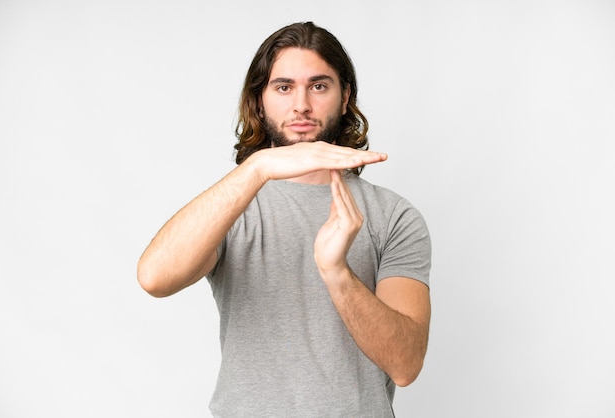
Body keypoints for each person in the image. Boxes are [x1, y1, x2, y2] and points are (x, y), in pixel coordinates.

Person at [137, 21, 431, 417]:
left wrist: (337, 273)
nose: (301, 105)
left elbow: (405, 365)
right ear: (259, 101)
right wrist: (257, 168)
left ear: (345, 97)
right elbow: (155, 278)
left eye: (319, 86)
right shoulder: (231, 207)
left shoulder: (393, 216)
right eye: (284, 86)